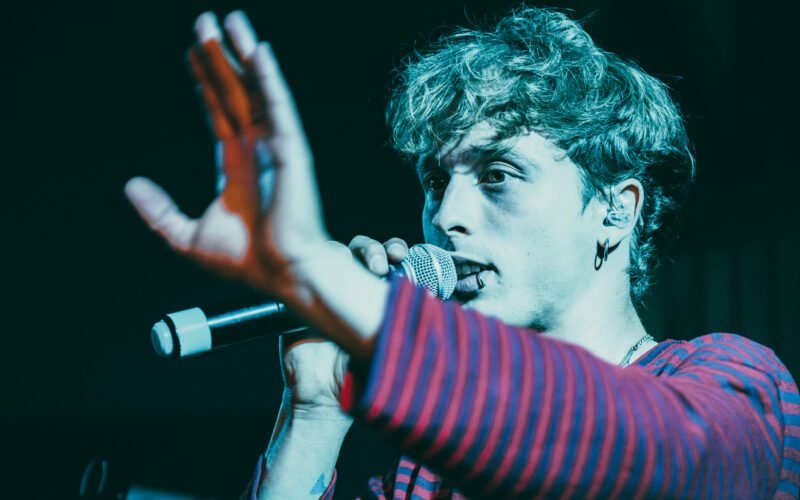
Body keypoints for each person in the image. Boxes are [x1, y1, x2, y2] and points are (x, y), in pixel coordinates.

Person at [124, 6, 800, 499]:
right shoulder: (425, 475)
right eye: (436, 181)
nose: (446, 215)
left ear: (615, 211)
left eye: (498, 175)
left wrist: (355, 303)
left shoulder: (735, 379)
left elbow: (665, 462)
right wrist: (315, 412)